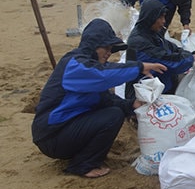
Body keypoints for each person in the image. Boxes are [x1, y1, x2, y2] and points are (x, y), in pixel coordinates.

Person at [31, 18, 166, 178]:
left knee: (114, 110)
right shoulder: (75, 65)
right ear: (93, 45)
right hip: (52, 136)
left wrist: (132, 105)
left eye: (111, 49)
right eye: (106, 47)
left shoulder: (88, 68)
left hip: (65, 129)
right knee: (113, 116)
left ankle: (83, 157)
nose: (109, 53)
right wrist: (139, 67)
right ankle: (82, 165)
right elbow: (102, 74)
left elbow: (106, 99)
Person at [125, 0, 195, 99]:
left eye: (164, 17)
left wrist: (188, 54)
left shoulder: (151, 33)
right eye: (160, 18)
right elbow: (170, 63)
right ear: (151, 18)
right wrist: (190, 58)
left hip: (163, 87)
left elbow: (171, 47)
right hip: (146, 96)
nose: (163, 22)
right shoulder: (139, 42)